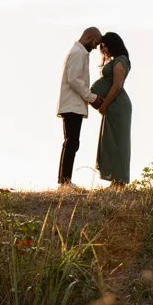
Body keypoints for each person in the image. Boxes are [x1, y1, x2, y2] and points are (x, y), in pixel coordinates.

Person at [56, 27, 102, 186]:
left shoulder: (79, 53)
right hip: (71, 105)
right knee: (71, 142)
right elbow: (74, 79)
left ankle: (64, 181)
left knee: (71, 142)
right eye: (96, 42)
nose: (96, 47)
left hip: (73, 104)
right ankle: (64, 182)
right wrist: (92, 98)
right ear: (89, 37)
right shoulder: (78, 53)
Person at [90, 31, 132, 188]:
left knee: (119, 141)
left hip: (117, 104)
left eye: (104, 46)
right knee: (110, 141)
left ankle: (120, 180)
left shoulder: (121, 60)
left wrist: (105, 105)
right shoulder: (115, 60)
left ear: (112, 44)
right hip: (112, 105)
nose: (103, 49)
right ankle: (115, 179)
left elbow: (117, 85)